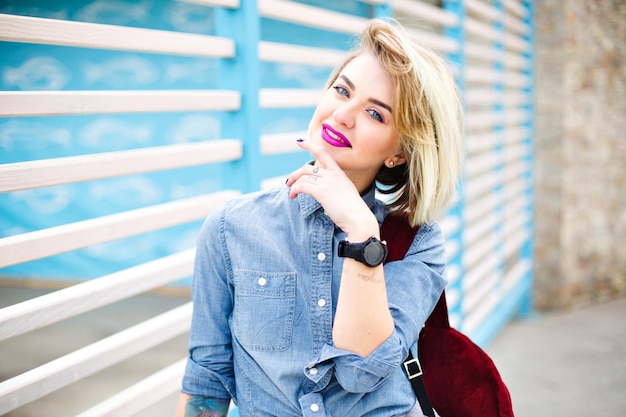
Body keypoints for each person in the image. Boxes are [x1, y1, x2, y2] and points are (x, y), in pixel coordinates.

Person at [176, 17, 463, 417]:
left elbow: (362, 372)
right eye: (342, 91)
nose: (343, 115)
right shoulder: (230, 228)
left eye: (376, 114)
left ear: (399, 153)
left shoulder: (418, 242)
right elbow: (209, 377)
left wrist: (363, 235)